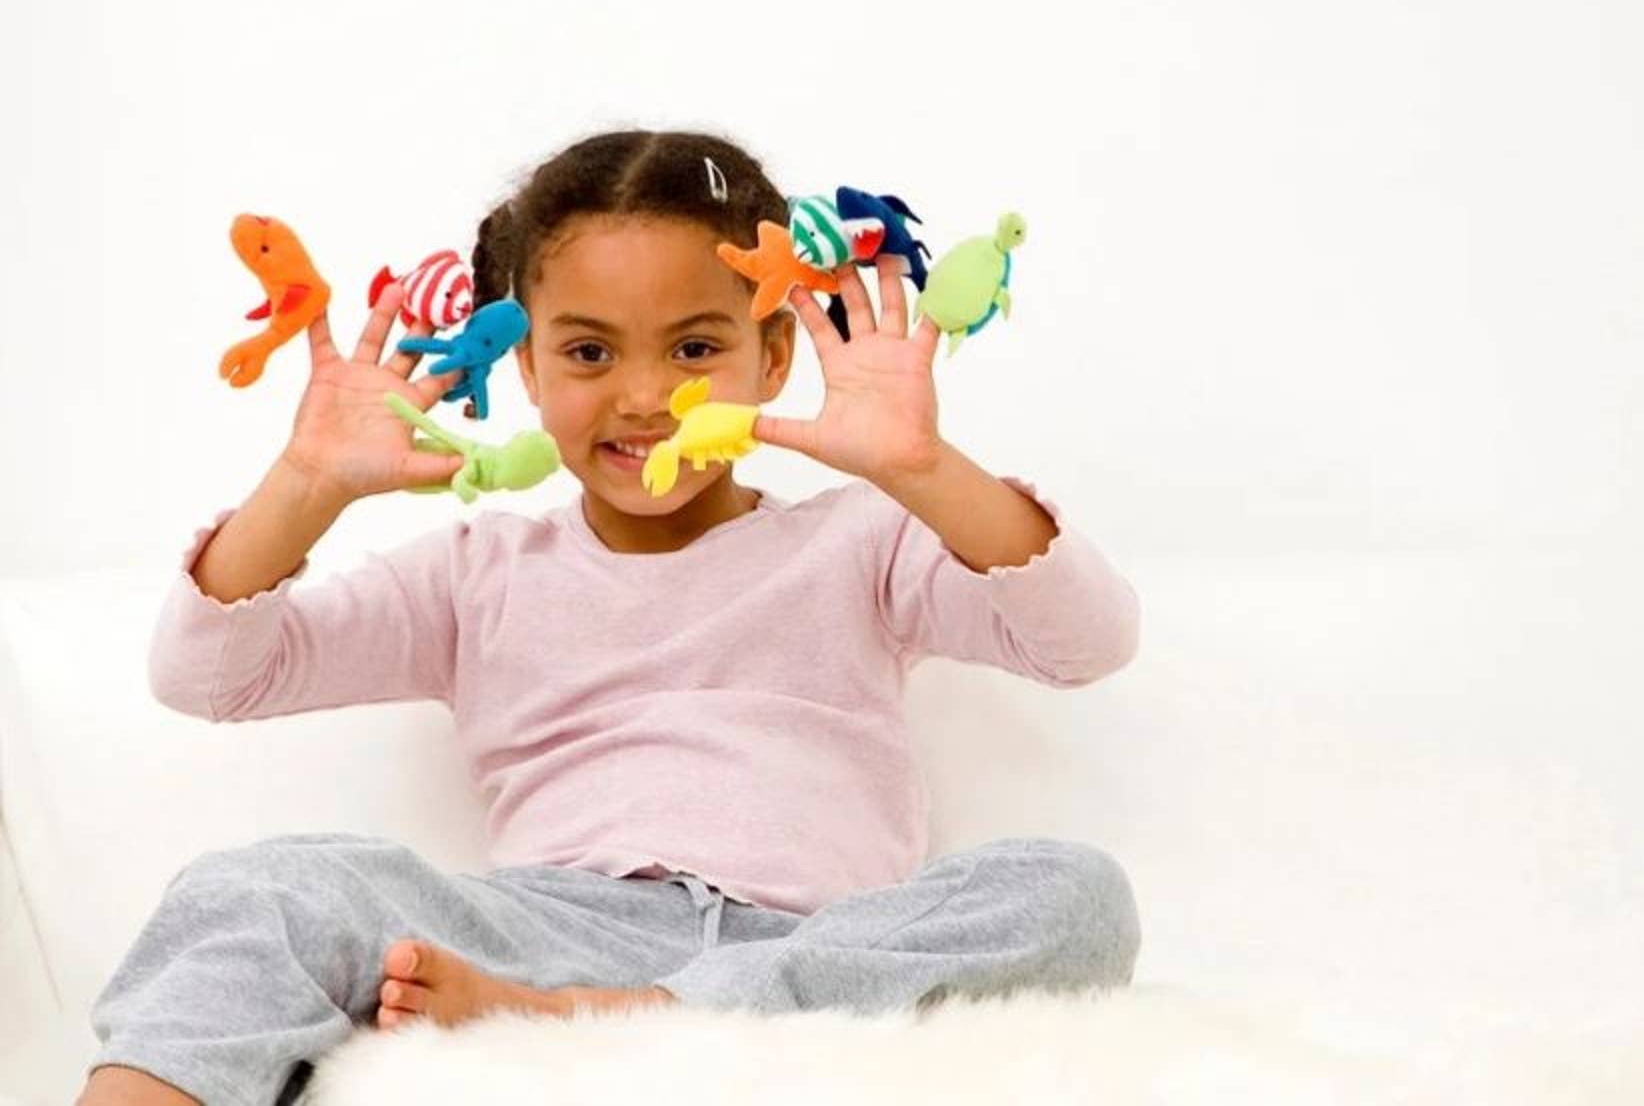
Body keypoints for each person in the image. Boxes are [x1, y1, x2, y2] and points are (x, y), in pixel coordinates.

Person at [78, 129, 1142, 1106]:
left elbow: (1087, 639)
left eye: (693, 350)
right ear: (527, 367)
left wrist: (923, 468)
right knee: (263, 885)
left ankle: (627, 1021)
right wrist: (306, 482)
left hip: (814, 945)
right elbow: (209, 674)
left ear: (771, 359)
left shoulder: (861, 540)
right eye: (589, 353)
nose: (642, 396)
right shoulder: (477, 570)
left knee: (1073, 891)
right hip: (543, 929)